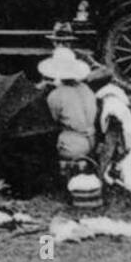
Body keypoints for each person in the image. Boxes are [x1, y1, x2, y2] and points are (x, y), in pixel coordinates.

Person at [38, 46, 98, 183]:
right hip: (92, 139)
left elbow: (53, 120)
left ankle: (55, 175)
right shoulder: (86, 89)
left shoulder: (56, 95)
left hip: (73, 146)